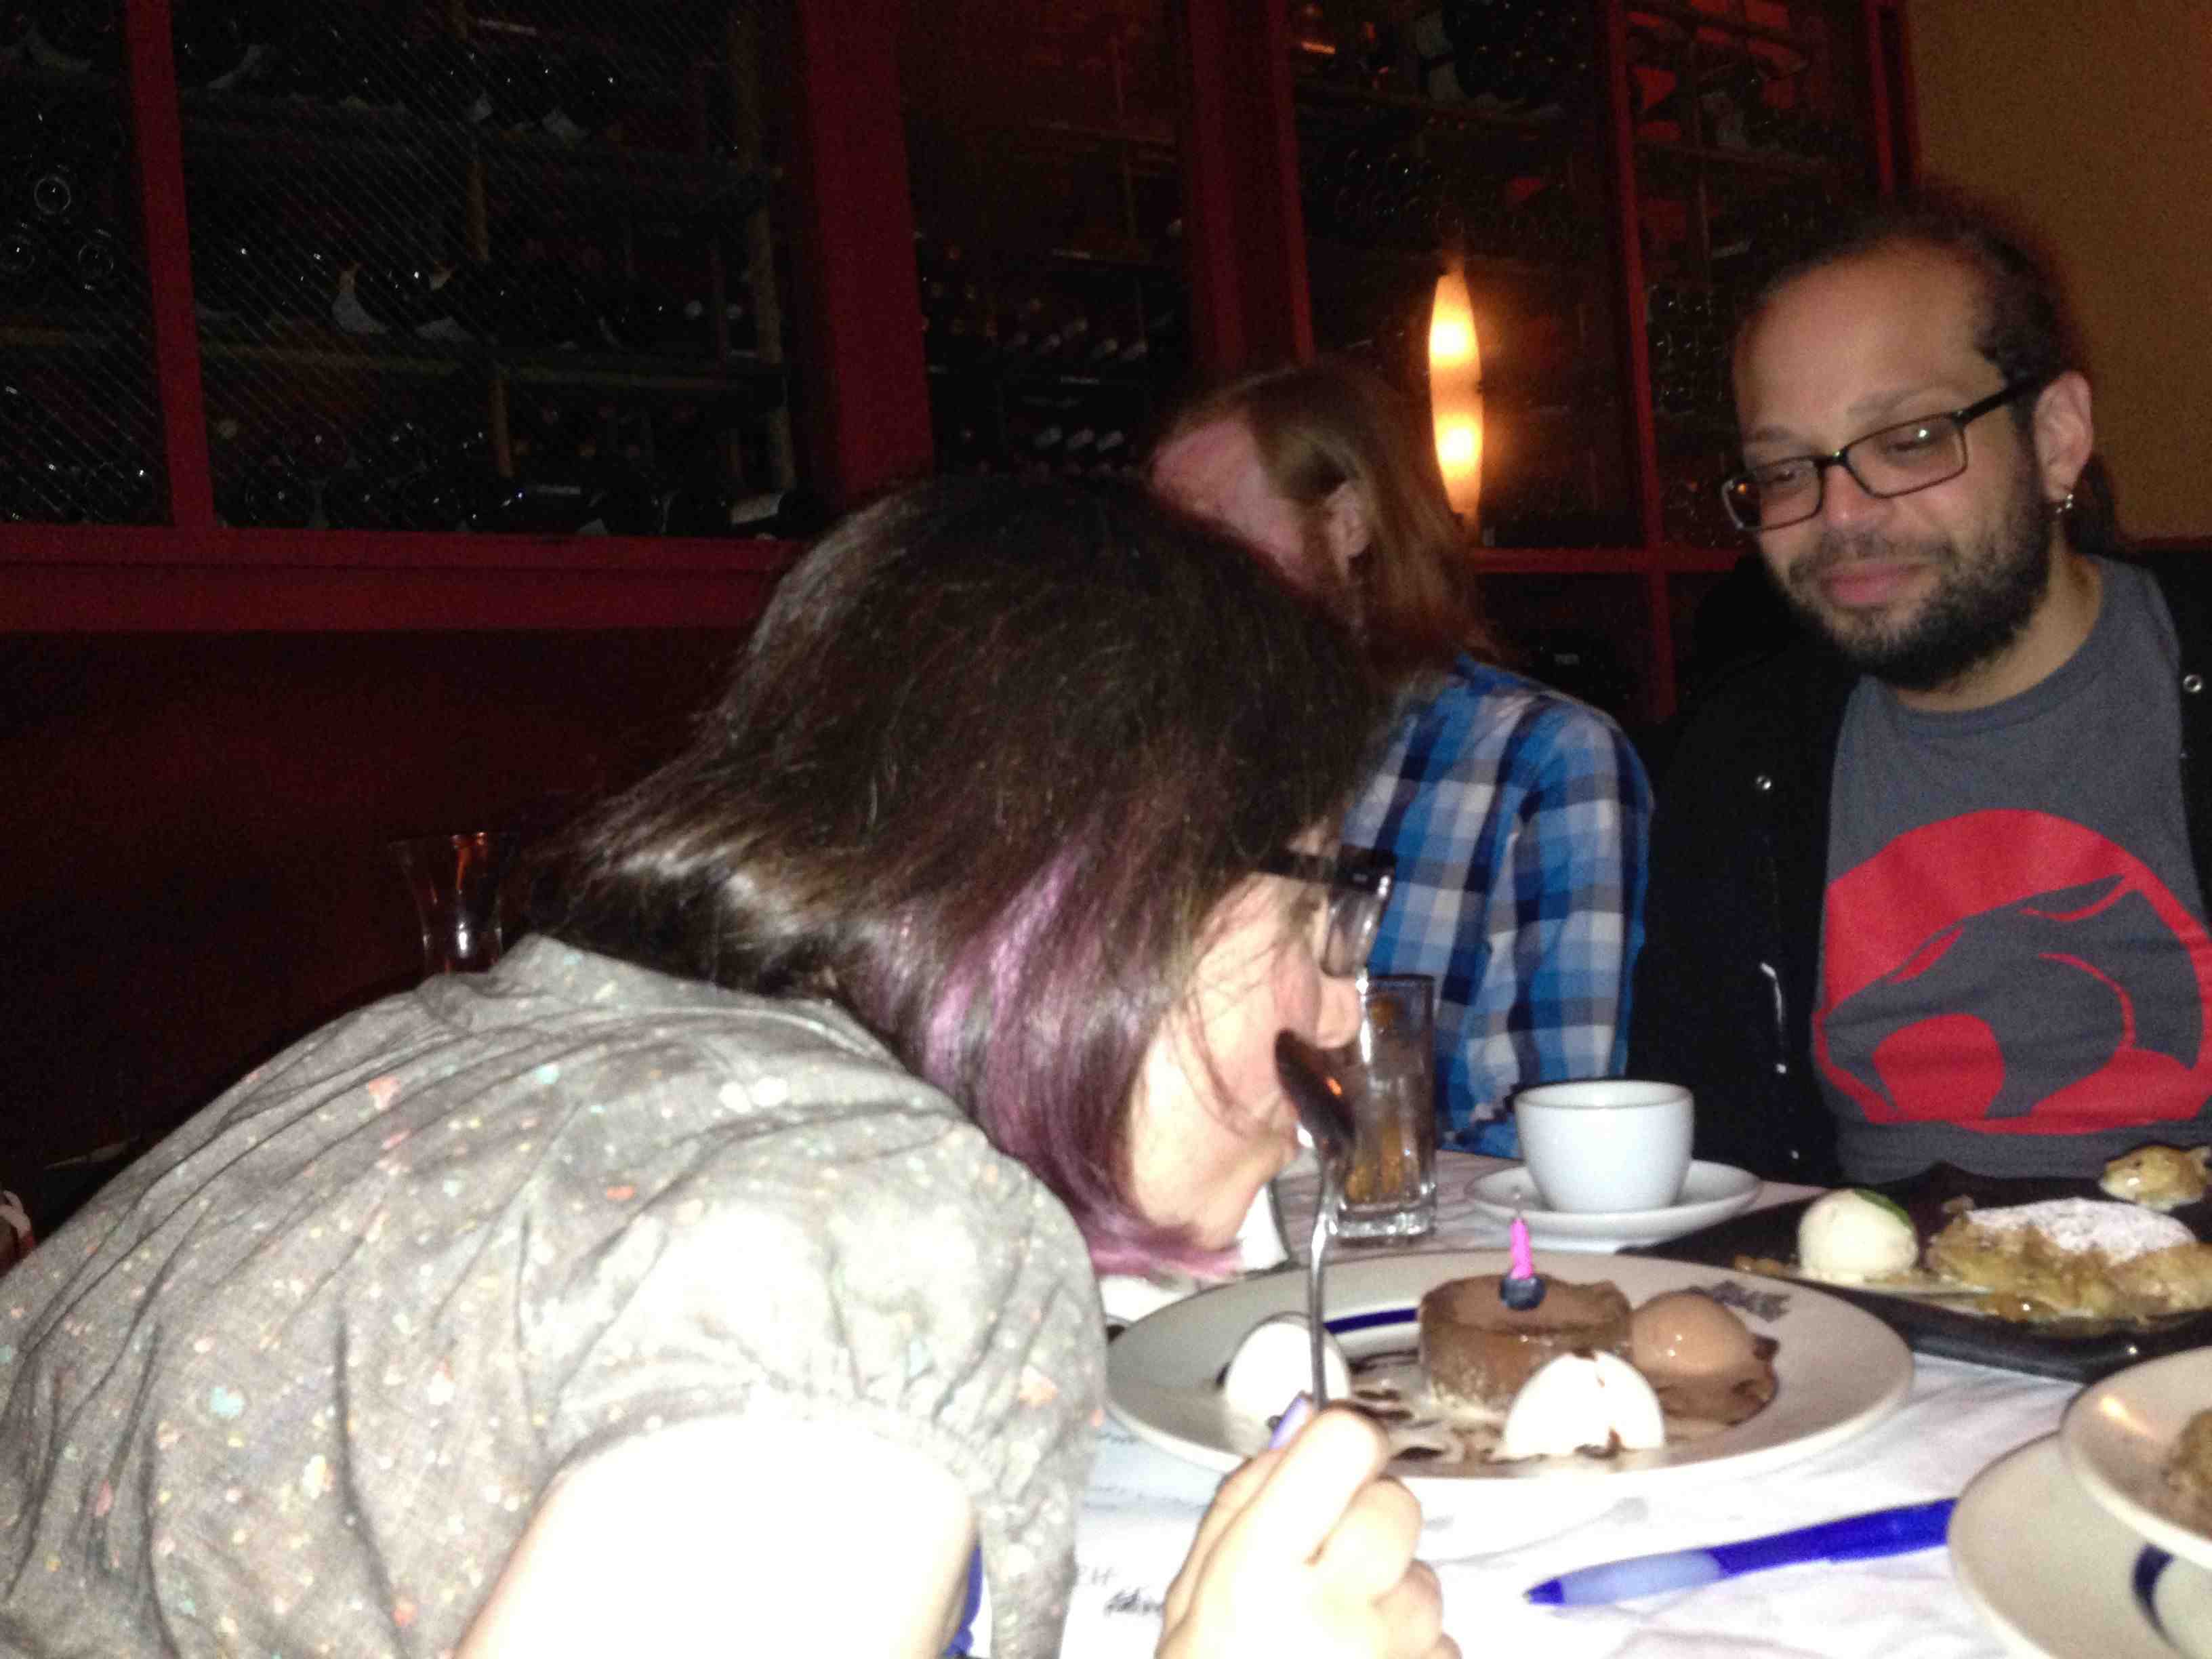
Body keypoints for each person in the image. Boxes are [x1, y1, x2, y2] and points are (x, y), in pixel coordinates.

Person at [0, 480, 1457, 1659]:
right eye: (1320, 909)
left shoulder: (401, 1054)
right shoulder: (878, 1232)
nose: (1341, 1016)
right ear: (1111, 883)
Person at [1630, 194, 2212, 1188]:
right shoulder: (1741, 759)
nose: (1841, 517)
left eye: (1909, 441)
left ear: (2057, 437)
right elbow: (1712, 1162)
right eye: (1784, 470)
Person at [1151, 359, 1652, 1155]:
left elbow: (1542, 1140)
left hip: (1422, 1234)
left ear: (1348, 524)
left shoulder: (1540, 760)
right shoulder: (1171, 769)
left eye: (1212, 532)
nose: (1176, 574)